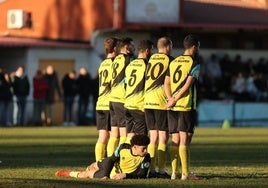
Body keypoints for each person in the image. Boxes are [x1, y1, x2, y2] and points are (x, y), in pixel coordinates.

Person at [164, 34, 201, 180]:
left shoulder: (174, 62)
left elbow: (166, 83)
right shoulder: (194, 61)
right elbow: (187, 85)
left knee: (175, 138)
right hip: (185, 105)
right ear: (194, 47)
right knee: (185, 139)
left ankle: (174, 172)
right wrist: (175, 99)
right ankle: (185, 173)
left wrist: (170, 99)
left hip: (172, 106)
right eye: (197, 47)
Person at [55, 134, 150, 179]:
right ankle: (90, 170)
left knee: (85, 175)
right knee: (93, 166)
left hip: (113, 174)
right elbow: (111, 160)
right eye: (143, 149)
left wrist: (125, 175)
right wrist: (105, 175)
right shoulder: (123, 147)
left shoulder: (146, 157)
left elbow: (142, 175)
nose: (146, 151)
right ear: (135, 147)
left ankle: (68, 173)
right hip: (109, 165)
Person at [144, 37, 174, 178]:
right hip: (161, 102)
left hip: (148, 102)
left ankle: (149, 169)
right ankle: (161, 170)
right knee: (163, 136)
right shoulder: (170, 60)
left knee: (153, 137)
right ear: (167, 47)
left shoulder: (151, 59)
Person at [107, 37, 135, 157]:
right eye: (132, 46)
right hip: (121, 99)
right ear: (127, 48)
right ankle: (122, 159)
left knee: (114, 134)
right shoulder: (129, 59)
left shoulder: (115, 59)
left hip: (112, 99)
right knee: (125, 134)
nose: (134, 49)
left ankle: (108, 159)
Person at [124, 40, 154, 142]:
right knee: (142, 138)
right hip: (139, 106)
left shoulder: (130, 65)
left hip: (128, 105)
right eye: (152, 50)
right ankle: (140, 158)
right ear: (147, 51)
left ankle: (126, 157)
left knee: (130, 136)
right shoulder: (147, 65)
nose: (152, 53)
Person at [95, 37, 118, 161]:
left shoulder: (102, 63)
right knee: (114, 135)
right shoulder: (115, 64)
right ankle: (110, 164)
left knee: (102, 136)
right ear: (115, 49)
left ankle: (99, 163)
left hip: (100, 103)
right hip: (110, 103)